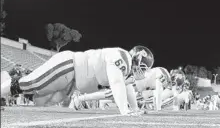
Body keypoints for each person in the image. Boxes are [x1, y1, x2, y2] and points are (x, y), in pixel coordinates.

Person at [1, 45, 154, 116]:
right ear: (137, 57)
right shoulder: (123, 58)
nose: (143, 70)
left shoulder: (126, 72)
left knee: (40, 100)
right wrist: (125, 110)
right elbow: (116, 82)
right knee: (29, 83)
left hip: (71, 83)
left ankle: (5, 83)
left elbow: (126, 87)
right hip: (68, 67)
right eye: (143, 66)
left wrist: (134, 108)